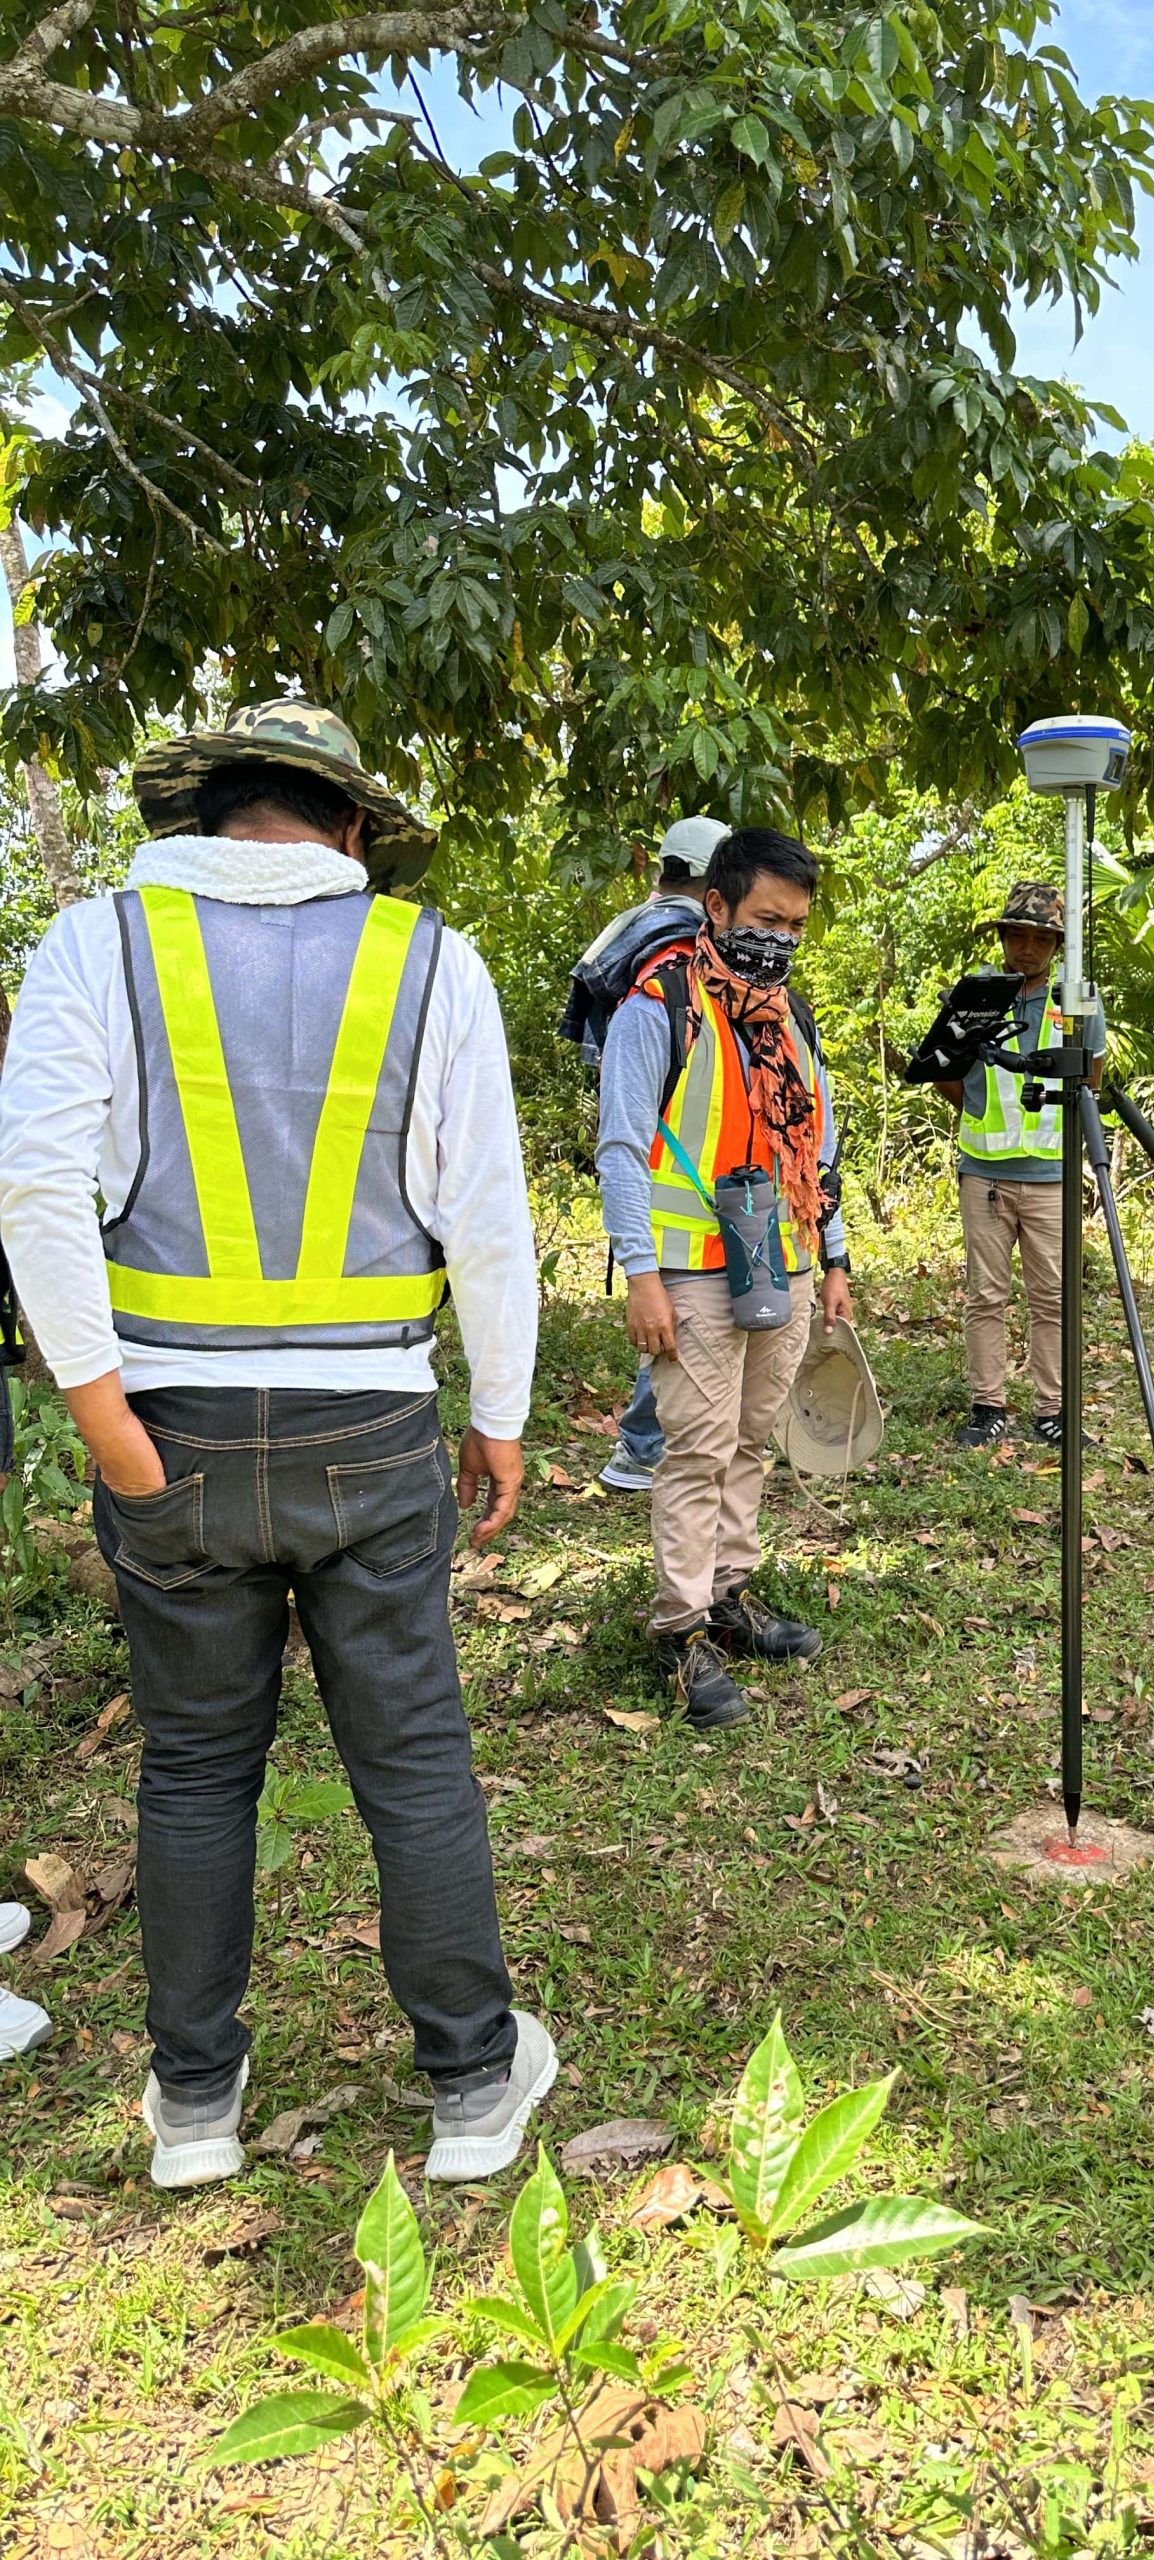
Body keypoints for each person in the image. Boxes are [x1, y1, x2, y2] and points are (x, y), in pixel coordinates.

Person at [0, 700, 552, 2190]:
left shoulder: (96, 944)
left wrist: (106, 1426)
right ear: (350, 826)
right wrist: (499, 1412)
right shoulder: (427, 959)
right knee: (416, 1764)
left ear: (208, 813)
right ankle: (471, 2092)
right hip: (371, 1432)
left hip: (164, 1434)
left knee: (191, 1773)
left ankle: (192, 2108)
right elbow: (486, 1220)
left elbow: (39, 1194)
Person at [596, 825, 852, 1731]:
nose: (779, 940)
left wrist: (833, 1255)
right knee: (697, 1452)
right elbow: (622, 1152)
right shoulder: (656, 1007)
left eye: (796, 926)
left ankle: (729, 1594)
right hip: (691, 1271)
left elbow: (816, 1148)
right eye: (766, 920)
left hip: (777, 1264)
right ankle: (679, 1630)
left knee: (750, 1442)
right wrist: (639, 1275)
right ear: (717, 907)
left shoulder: (791, 1019)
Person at [565, 815, 731, 1497]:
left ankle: (647, 1446)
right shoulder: (683, 952)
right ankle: (640, 1448)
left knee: (674, 1311)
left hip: (652, 1149)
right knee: (678, 1313)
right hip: (681, 1159)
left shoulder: (633, 933)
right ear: (715, 884)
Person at [937, 881, 1104, 1448]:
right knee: (986, 1294)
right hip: (983, 1171)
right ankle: (989, 1406)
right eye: (1018, 935)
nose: (1028, 948)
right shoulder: (979, 993)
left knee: (1053, 1296)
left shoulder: (1077, 996)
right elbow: (942, 1068)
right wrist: (979, 1108)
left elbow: (1091, 1080)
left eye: (1041, 938)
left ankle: (1052, 1408)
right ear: (1004, 936)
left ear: (1056, 945)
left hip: (1051, 1176)